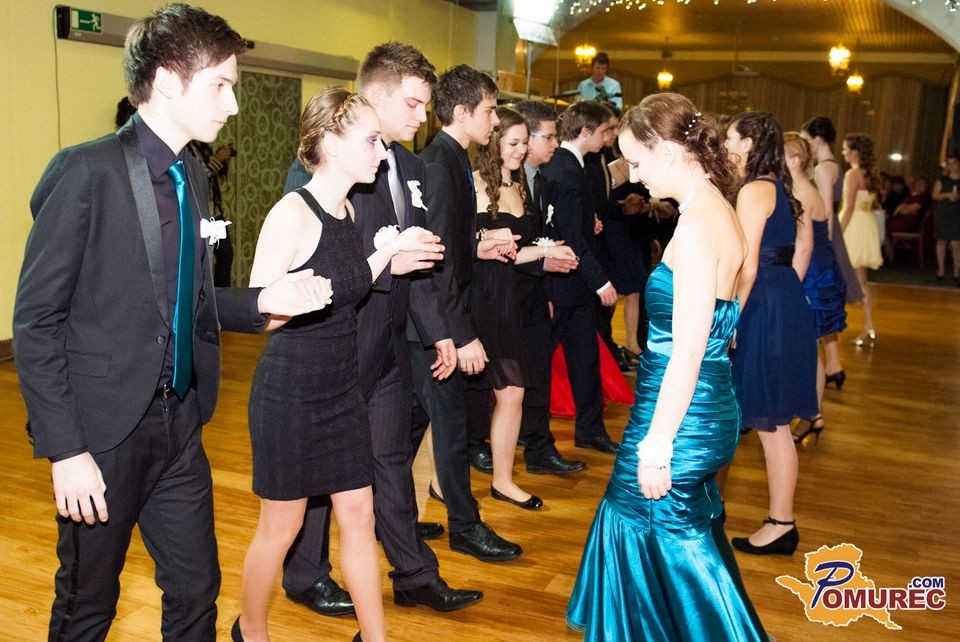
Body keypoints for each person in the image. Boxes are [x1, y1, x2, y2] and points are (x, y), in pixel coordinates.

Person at [12, 5, 334, 639]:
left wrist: (262, 301)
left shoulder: (190, 174)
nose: (233, 104)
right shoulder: (86, 172)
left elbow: (188, 302)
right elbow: (37, 322)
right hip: (103, 434)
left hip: (180, 420)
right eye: (220, 85)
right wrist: (66, 450)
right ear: (164, 80)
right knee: (87, 606)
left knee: (196, 592)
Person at [281, 44, 499, 617]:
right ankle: (305, 574)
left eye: (426, 105)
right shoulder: (324, 165)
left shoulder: (411, 166)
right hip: (336, 339)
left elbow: (419, 261)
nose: (422, 116)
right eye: (412, 103)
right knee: (326, 467)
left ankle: (413, 575)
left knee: (390, 460)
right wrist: (384, 264)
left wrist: (439, 331)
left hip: (389, 345)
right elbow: (310, 265)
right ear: (375, 97)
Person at [237, 87, 445, 642]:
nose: (383, 151)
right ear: (330, 142)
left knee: (358, 513)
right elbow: (259, 312)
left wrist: (390, 253)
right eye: (371, 140)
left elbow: (350, 280)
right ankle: (250, 630)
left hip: (343, 389)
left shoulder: (347, 209)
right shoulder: (291, 213)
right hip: (291, 395)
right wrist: (289, 300)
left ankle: (374, 637)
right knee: (281, 527)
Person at [567, 93, 767, 641]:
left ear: (671, 151)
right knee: (677, 536)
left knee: (666, 539)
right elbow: (721, 318)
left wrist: (657, 444)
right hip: (696, 404)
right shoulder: (713, 208)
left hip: (680, 415)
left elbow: (687, 349)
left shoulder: (701, 223)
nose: (634, 175)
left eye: (638, 160)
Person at [468, 106, 580, 508]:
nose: (521, 150)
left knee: (513, 393)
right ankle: (451, 482)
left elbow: (519, 251)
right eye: (513, 143)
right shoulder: (473, 185)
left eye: (523, 142)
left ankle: (502, 480)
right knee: (479, 398)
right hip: (485, 301)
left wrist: (547, 254)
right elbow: (473, 249)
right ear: (493, 143)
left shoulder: (520, 186)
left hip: (519, 302)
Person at [725, 111, 818, 555]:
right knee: (770, 420)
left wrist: (729, 318)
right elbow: (798, 251)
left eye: (730, 138)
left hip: (762, 303)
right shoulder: (781, 187)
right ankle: (779, 520)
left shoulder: (754, 189)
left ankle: (782, 523)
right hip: (782, 298)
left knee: (771, 423)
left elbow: (745, 264)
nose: (726, 145)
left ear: (748, 143)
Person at [512, 99, 588, 476]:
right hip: (508, 291)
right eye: (549, 136)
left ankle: (539, 447)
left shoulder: (539, 179)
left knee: (538, 374)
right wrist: (543, 257)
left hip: (535, 290)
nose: (555, 143)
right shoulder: (506, 180)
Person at [541, 100, 620, 455]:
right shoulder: (568, 168)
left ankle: (588, 430)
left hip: (570, 282)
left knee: (584, 359)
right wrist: (600, 281)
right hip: (565, 281)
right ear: (586, 131)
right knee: (562, 361)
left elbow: (567, 221)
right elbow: (570, 233)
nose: (608, 137)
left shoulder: (568, 164)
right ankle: (544, 437)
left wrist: (589, 221)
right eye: (604, 131)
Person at [784, 132, 846, 443]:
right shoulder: (802, 188)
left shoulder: (801, 192)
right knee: (809, 348)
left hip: (813, 275)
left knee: (808, 350)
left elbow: (803, 245)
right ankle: (812, 414)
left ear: (795, 161)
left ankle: (812, 415)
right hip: (819, 270)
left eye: (780, 156)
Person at [800, 116, 855, 388]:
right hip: (831, 236)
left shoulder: (823, 168)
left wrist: (827, 243)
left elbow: (826, 210)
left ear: (817, 139)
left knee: (821, 298)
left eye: (806, 139)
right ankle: (834, 365)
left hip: (825, 235)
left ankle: (831, 366)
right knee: (826, 302)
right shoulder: (837, 166)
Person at [839, 133, 883, 345]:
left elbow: (848, 207)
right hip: (866, 224)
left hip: (853, 225)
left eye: (845, 149)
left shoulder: (852, 174)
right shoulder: (869, 173)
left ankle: (832, 324)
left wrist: (836, 234)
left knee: (841, 276)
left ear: (855, 152)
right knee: (861, 280)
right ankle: (868, 325)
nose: (843, 153)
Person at [932, 154, 960, 283]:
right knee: (941, 241)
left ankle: (956, 271)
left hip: (957, 214)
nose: (952, 166)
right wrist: (946, 195)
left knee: (956, 243)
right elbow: (934, 196)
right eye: (949, 164)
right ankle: (941, 269)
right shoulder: (942, 180)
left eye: (954, 163)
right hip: (943, 213)